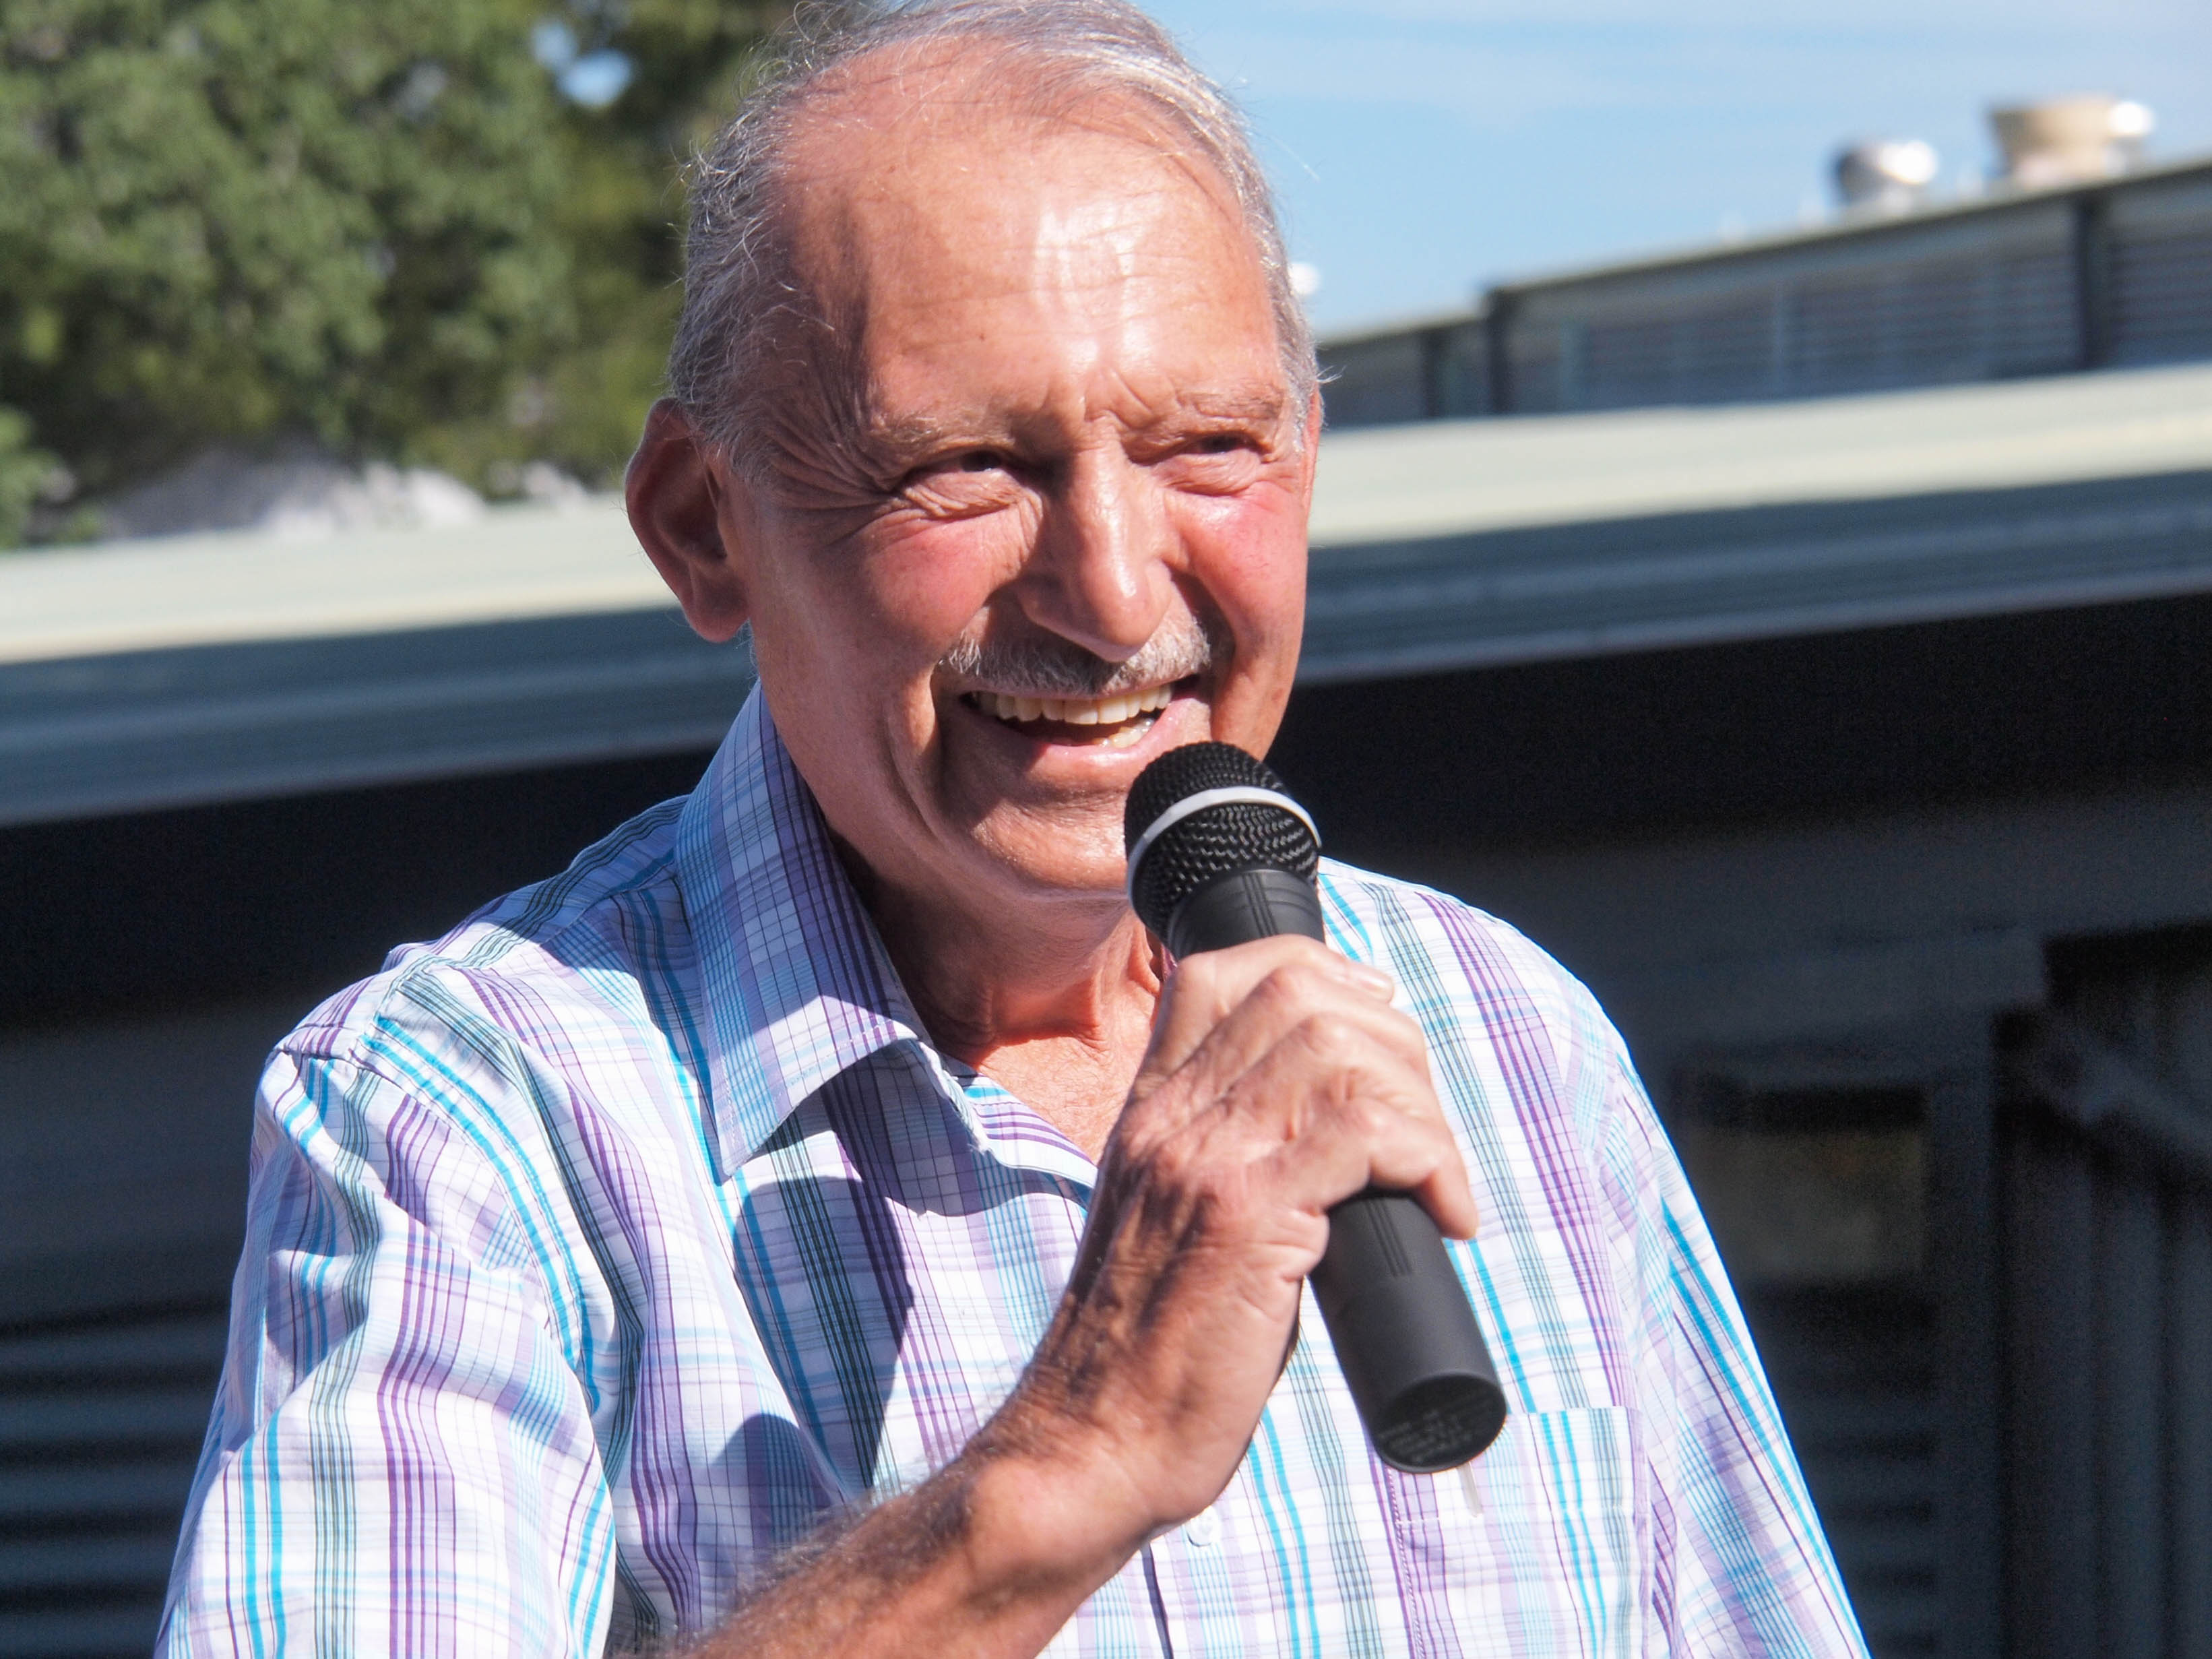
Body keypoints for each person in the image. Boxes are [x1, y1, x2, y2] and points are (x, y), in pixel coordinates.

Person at [158, 2, 1866, 1654]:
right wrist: (1063, 1465)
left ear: (1308, 453)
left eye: (1207, 446)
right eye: (967, 465)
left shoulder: (1503, 1034)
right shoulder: (467, 1117)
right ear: (700, 527)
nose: (1113, 594)